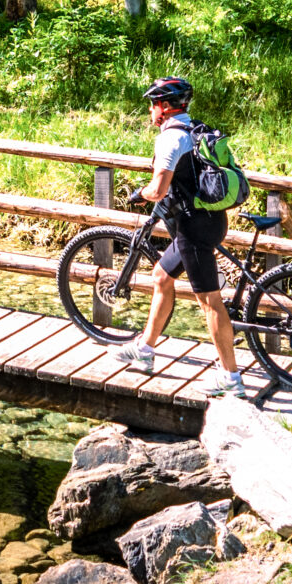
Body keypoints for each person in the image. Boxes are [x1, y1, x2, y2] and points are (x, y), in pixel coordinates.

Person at [116, 75, 244, 395]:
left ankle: (230, 377)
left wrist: (140, 194)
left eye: (152, 104)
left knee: (210, 302)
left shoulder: (169, 139)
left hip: (193, 228)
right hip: (213, 220)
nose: (150, 110)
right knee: (161, 276)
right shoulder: (196, 128)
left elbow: (159, 190)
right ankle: (145, 350)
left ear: (164, 106)